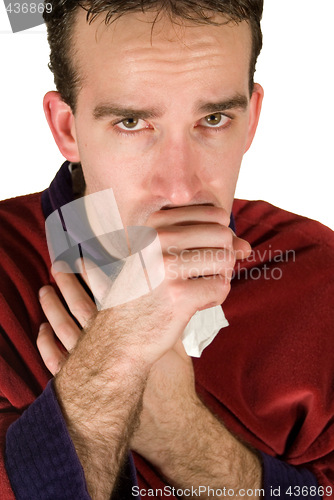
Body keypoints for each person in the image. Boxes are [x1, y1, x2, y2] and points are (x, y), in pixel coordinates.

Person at [1, 1, 334, 499]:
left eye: (215, 118)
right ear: (66, 128)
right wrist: (108, 373)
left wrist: (176, 431)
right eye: (132, 123)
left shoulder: (319, 272)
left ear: (253, 118)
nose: (180, 188)